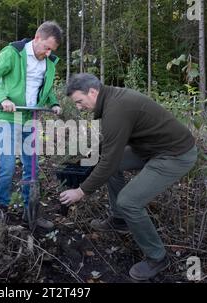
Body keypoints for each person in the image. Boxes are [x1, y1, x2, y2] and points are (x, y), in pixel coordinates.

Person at [59, 73, 197, 281]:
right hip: (150, 148)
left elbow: (109, 160)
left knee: (129, 201)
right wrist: (91, 156)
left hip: (174, 155)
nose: (79, 107)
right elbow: (111, 142)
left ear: (93, 92)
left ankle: (157, 257)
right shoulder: (111, 99)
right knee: (108, 167)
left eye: (79, 101)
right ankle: (119, 219)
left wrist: (81, 191)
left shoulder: (117, 108)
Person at [0, 21, 63, 230]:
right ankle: (0, 210)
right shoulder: (13, 53)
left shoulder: (49, 61)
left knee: (31, 168)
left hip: (31, 118)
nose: (48, 52)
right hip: (9, 117)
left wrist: (53, 102)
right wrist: (2, 98)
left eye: (52, 49)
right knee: (7, 166)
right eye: (46, 47)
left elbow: (43, 87)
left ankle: (30, 213)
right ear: (37, 38)